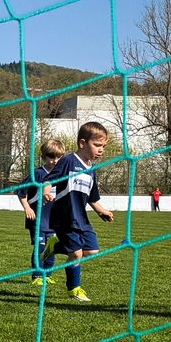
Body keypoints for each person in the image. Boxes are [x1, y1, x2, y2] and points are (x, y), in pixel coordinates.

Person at [43, 120, 115, 303]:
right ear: (82, 143)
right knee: (76, 254)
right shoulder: (68, 161)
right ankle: (73, 289)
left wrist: (101, 210)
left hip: (81, 218)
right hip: (64, 216)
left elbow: (92, 197)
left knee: (92, 251)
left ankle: (55, 246)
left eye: (103, 146)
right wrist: (46, 191)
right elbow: (49, 179)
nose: (101, 150)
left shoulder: (91, 170)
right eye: (97, 145)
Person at [18, 138, 64, 287]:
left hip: (53, 220)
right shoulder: (37, 174)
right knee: (40, 247)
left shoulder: (62, 175)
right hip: (37, 219)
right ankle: (37, 275)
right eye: (51, 157)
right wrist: (27, 208)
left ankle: (47, 274)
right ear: (44, 157)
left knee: (51, 248)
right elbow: (20, 192)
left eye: (58, 157)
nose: (55, 161)